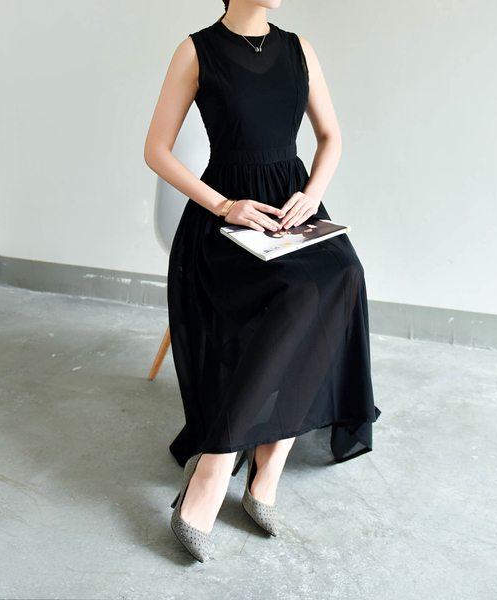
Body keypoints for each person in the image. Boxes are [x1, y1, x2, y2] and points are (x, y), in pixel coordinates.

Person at [143, 0, 380, 563]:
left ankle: (268, 467)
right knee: (297, 293)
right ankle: (215, 466)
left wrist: (312, 196)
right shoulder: (196, 51)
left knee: (345, 274)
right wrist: (224, 205)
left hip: (291, 210)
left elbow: (331, 136)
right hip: (224, 220)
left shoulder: (299, 49)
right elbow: (155, 150)